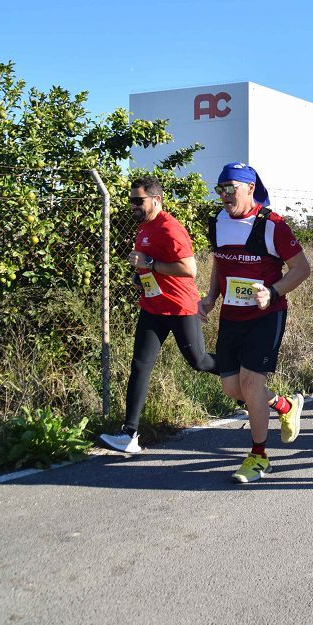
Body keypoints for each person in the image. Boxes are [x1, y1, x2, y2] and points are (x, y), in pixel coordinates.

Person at [198, 163, 310, 483]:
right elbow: (221, 263)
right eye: (220, 189)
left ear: (250, 188)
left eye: (231, 187)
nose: (225, 195)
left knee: (250, 383)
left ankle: (259, 456)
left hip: (266, 314)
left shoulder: (273, 225)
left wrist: (273, 292)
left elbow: (302, 269)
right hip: (231, 315)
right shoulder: (217, 222)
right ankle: (285, 405)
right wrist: (210, 297)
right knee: (232, 387)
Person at [99, 177, 219, 454]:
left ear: (156, 199)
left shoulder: (170, 228)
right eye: (131, 200)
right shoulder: (144, 228)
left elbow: (189, 270)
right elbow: (150, 268)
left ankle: (243, 381)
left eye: (138, 200)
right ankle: (129, 434)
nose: (133, 205)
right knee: (140, 365)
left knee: (199, 361)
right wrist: (139, 278)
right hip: (152, 306)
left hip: (179, 307)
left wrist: (150, 264)